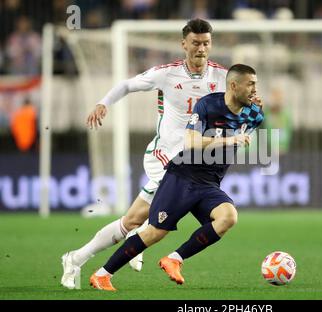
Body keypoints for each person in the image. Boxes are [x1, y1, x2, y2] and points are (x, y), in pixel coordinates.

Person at [61, 19, 228, 290]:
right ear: (183, 44)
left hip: (191, 162)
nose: (201, 48)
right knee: (155, 222)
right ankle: (140, 243)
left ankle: (76, 258)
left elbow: (238, 98)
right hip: (164, 158)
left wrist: (251, 100)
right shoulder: (166, 73)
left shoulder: (221, 76)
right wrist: (104, 103)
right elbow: (127, 85)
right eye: (195, 43)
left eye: (206, 43)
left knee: (132, 220)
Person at [89, 64, 264, 291]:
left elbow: (248, 128)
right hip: (183, 176)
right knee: (155, 232)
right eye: (250, 84)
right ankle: (102, 275)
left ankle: (174, 259)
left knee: (228, 217)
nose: (255, 89)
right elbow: (191, 142)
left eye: (255, 84)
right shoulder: (208, 104)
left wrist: (245, 126)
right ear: (233, 85)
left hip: (209, 183)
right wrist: (229, 141)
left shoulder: (254, 114)